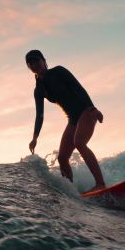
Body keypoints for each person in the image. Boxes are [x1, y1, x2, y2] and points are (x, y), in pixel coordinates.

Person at [26, 50, 106, 191]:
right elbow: (39, 114)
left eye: (36, 61)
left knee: (79, 143)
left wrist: (92, 108)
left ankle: (100, 184)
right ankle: (70, 191)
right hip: (72, 119)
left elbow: (79, 88)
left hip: (86, 111)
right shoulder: (38, 89)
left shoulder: (59, 71)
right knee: (62, 158)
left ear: (44, 61)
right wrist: (34, 138)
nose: (33, 64)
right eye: (29, 63)